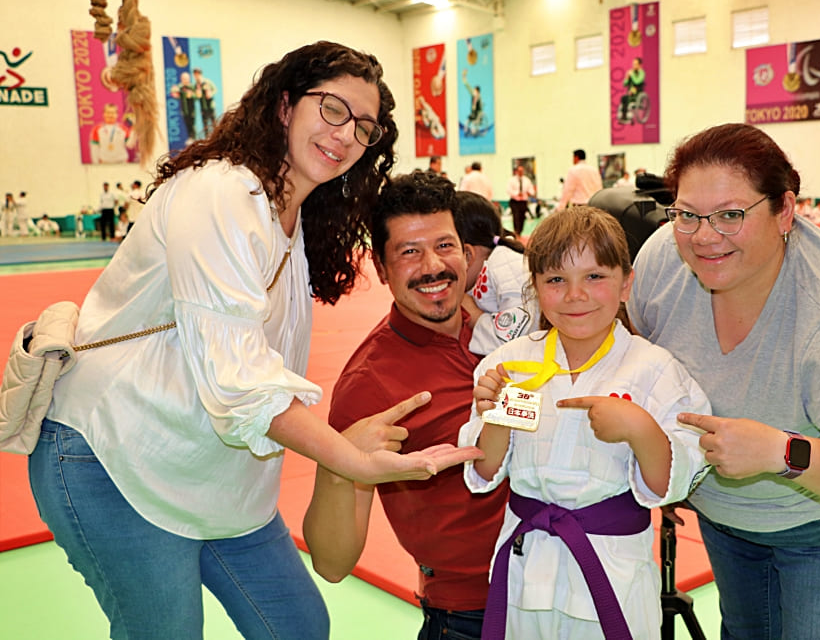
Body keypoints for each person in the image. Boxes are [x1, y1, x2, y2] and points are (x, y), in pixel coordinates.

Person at [29, 42, 478, 640]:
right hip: (115, 456)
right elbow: (239, 379)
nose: (346, 134)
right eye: (334, 109)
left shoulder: (290, 220)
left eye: (365, 127)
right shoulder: (220, 192)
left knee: (296, 625)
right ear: (286, 104)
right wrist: (353, 459)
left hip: (211, 472)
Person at [628, 123, 820, 639]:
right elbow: (635, 365)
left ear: (785, 211)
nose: (704, 235)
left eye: (730, 215)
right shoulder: (662, 261)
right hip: (724, 517)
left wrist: (784, 453)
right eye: (688, 214)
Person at [459, 206, 712, 639]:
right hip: (526, 566)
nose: (575, 294)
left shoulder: (655, 369)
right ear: (536, 289)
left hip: (611, 570)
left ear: (626, 283)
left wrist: (640, 428)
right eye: (556, 280)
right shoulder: (510, 363)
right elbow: (481, 474)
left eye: (594, 277)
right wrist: (496, 416)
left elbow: (674, 482)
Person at [304, 171, 509, 640]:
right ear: (381, 268)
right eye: (409, 252)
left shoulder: (507, 330)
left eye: (445, 245)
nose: (433, 266)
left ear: (467, 251)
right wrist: (338, 467)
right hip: (474, 615)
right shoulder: (371, 384)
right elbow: (333, 564)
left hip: (567, 589)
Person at [454, 190, 538, 356]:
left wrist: (474, 315)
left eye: (444, 247)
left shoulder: (506, 265)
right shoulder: (488, 267)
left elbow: (517, 341)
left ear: (467, 254)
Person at [504, 164, 535, 238]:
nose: (521, 172)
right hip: (515, 201)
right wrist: (517, 193)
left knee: (522, 217)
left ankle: (520, 232)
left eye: (522, 171)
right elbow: (508, 190)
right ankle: (516, 232)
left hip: (523, 202)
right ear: (516, 171)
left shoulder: (527, 180)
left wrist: (529, 193)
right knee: (516, 217)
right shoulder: (512, 180)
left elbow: (531, 190)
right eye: (519, 171)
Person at [170, 70, 199, 144]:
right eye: (183, 78)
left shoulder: (192, 86)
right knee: (187, 123)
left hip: (192, 109)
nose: (185, 80)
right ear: (181, 79)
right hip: (184, 109)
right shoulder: (180, 87)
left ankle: (195, 137)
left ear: (189, 78)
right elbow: (174, 92)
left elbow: (198, 96)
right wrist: (174, 93)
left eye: (186, 78)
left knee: (192, 123)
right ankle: (190, 137)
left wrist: (191, 95)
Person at [618, 57, 645, 122]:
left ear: (639, 65)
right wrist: (627, 77)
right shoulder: (631, 72)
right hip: (631, 91)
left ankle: (627, 115)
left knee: (628, 96)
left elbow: (637, 82)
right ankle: (624, 116)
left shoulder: (641, 73)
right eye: (633, 64)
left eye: (635, 64)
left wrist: (632, 74)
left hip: (638, 91)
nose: (634, 66)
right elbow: (624, 84)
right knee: (624, 98)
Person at [192, 67, 217, 137]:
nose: (196, 76)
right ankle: (207, 138)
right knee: (205, 124)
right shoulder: (195, 85)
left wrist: (210, 93)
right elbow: (195, 96)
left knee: (213, 122)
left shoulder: (207, 82)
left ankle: (216, 136)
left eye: (197, 74)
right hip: (203, 107)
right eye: (195, 75)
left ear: (200, 74)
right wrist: (196, 95)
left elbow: (215, 89)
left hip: (210, 106)